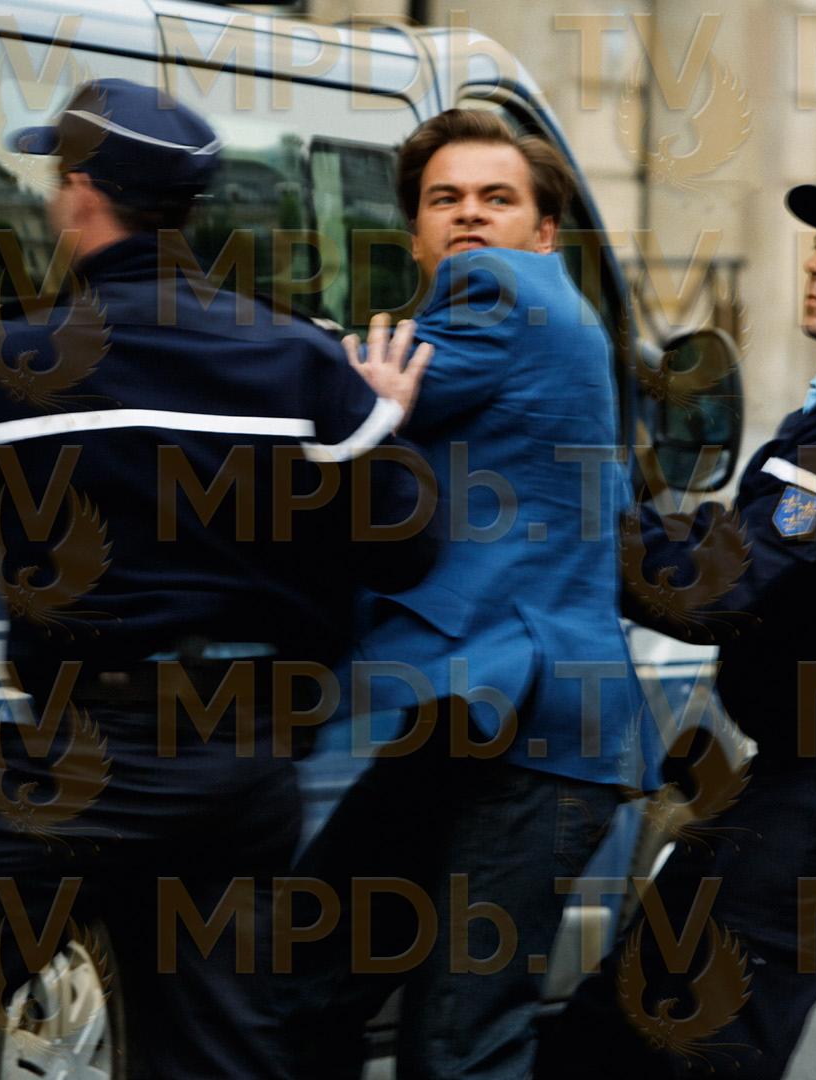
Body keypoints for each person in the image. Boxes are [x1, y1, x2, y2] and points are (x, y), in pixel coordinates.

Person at [0, 79, 436, 1079]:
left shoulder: (2, 367)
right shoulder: (301, 365)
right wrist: (374, 428)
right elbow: (406, 544)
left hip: (88, 753)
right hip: (242, 763)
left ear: (81, 193)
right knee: (212, 1052)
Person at [534, 178, 816, 1077]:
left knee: (715, 1033)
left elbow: (719, 589)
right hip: (802, 766)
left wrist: (581, 517)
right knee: (622, 1013)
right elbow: (737, 545)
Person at [278, 109, 651, 1079]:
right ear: (414, 233)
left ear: (543, 233)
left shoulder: (505, 291)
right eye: (445, 200)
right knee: (298, 982)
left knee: (458, 1043)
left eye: (497, 198)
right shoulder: (543, 329)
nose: (471, 216)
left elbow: (328, 396)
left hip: (537, 734)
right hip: (474, 719)